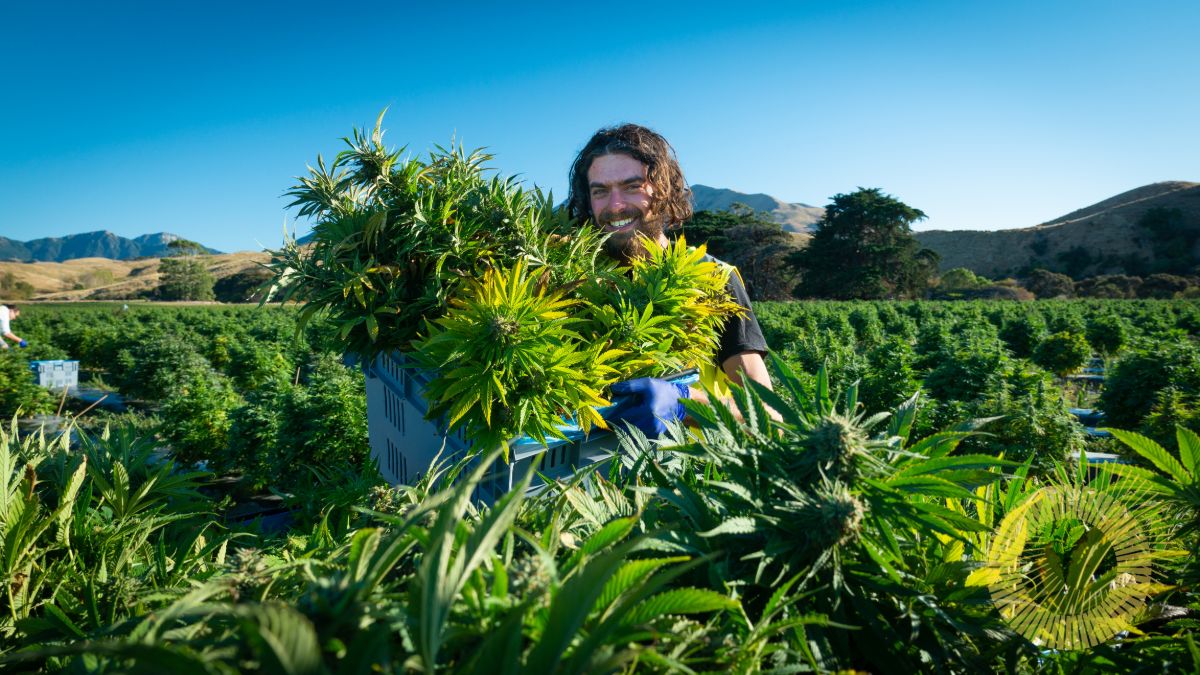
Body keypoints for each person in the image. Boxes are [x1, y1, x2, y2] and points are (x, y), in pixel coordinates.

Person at [566, 123, 771, 437]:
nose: (615, 205)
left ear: (662, 190)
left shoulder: (713, 278)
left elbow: (768, 415)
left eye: (632, 186)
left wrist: (685, 405)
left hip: (688, 477)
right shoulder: (574, 282)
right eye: (601, 191)